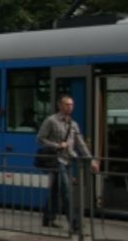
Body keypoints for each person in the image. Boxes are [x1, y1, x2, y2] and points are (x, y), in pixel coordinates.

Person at [37, 95, 98, 231]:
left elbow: (81, 144)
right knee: (66, 191)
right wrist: (57, 145)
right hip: (56, 160)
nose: (70, 107)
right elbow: (40, 139)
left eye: (71, 105)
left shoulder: (73, 124)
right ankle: (75, 224)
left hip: (68, 160)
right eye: (67, 104)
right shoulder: (51, 121)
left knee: (55, 191)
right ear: (60, 105)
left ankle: (48, 219)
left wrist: (91, 160)